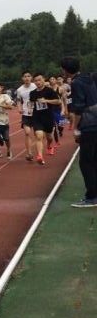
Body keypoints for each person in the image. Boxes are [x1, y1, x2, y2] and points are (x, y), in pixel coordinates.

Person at [61, 56, 97, 208]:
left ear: (64, 71)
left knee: (86, 162)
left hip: (88, 125)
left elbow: (79, 108)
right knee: (94, 159)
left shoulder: (76, 83)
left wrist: (76, 128)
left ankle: (92, 197)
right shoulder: (89, 77)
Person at [28, 74, 60, 165]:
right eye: (36, 80)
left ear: (43, 80)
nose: (38, 82)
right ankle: (40, 156)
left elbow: (58, 101)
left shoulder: (49, 91)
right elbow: (31, 102)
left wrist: (46, 101)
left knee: (49, 137)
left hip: (48, 117)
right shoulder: (33, 93)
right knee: (39, 136)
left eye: (39, 80)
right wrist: (29, 108)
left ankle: (49, 146)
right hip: (37, 117)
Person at [15, 71, 37, 161]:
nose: (27, 78)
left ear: (31, 77)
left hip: (37, 112)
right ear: (22, 78)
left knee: (38, 134)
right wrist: (19, 108)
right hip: (26, 114)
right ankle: (29, 153)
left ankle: (46, 145)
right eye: (25, 76)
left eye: (28, 76)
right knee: (27, 133)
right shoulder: (19, 90)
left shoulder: (35, 86)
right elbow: (18, 100)